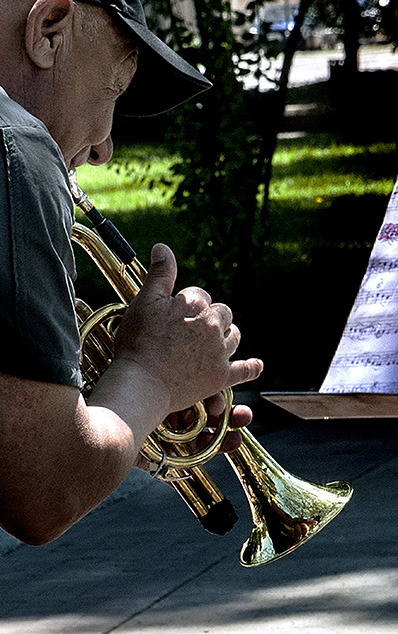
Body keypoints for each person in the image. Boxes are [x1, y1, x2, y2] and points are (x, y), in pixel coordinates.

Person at [0, 0, 263, 545]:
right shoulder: (14, 148)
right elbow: (45, 492)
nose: (102, 146)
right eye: (114, 91)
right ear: (48, 30)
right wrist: (150, 377)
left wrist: (119, 414)